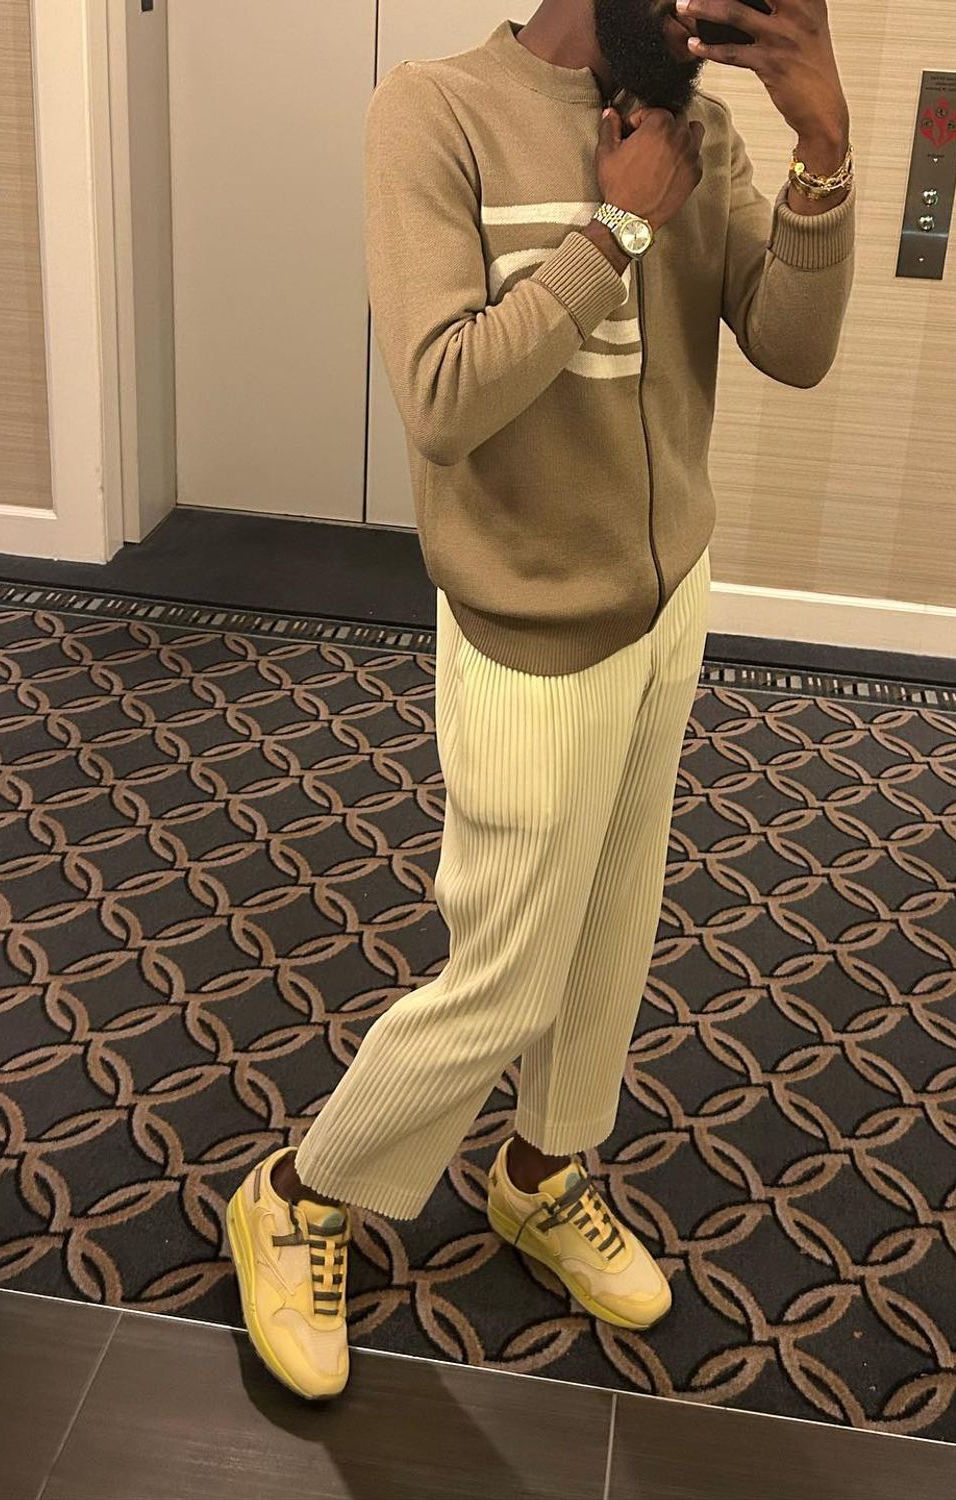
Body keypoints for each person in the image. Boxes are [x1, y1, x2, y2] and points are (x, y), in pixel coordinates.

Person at [225, 0, 855, 1401]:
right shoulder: (435, 112)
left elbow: (794, 344)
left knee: (614, 925)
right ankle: (302, 1190)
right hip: (523, 624)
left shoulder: (702, 129)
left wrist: (823, 148)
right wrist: (614, 229)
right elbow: (442, 400)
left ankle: (539, 1172)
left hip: (666, 600)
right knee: (507, 968)